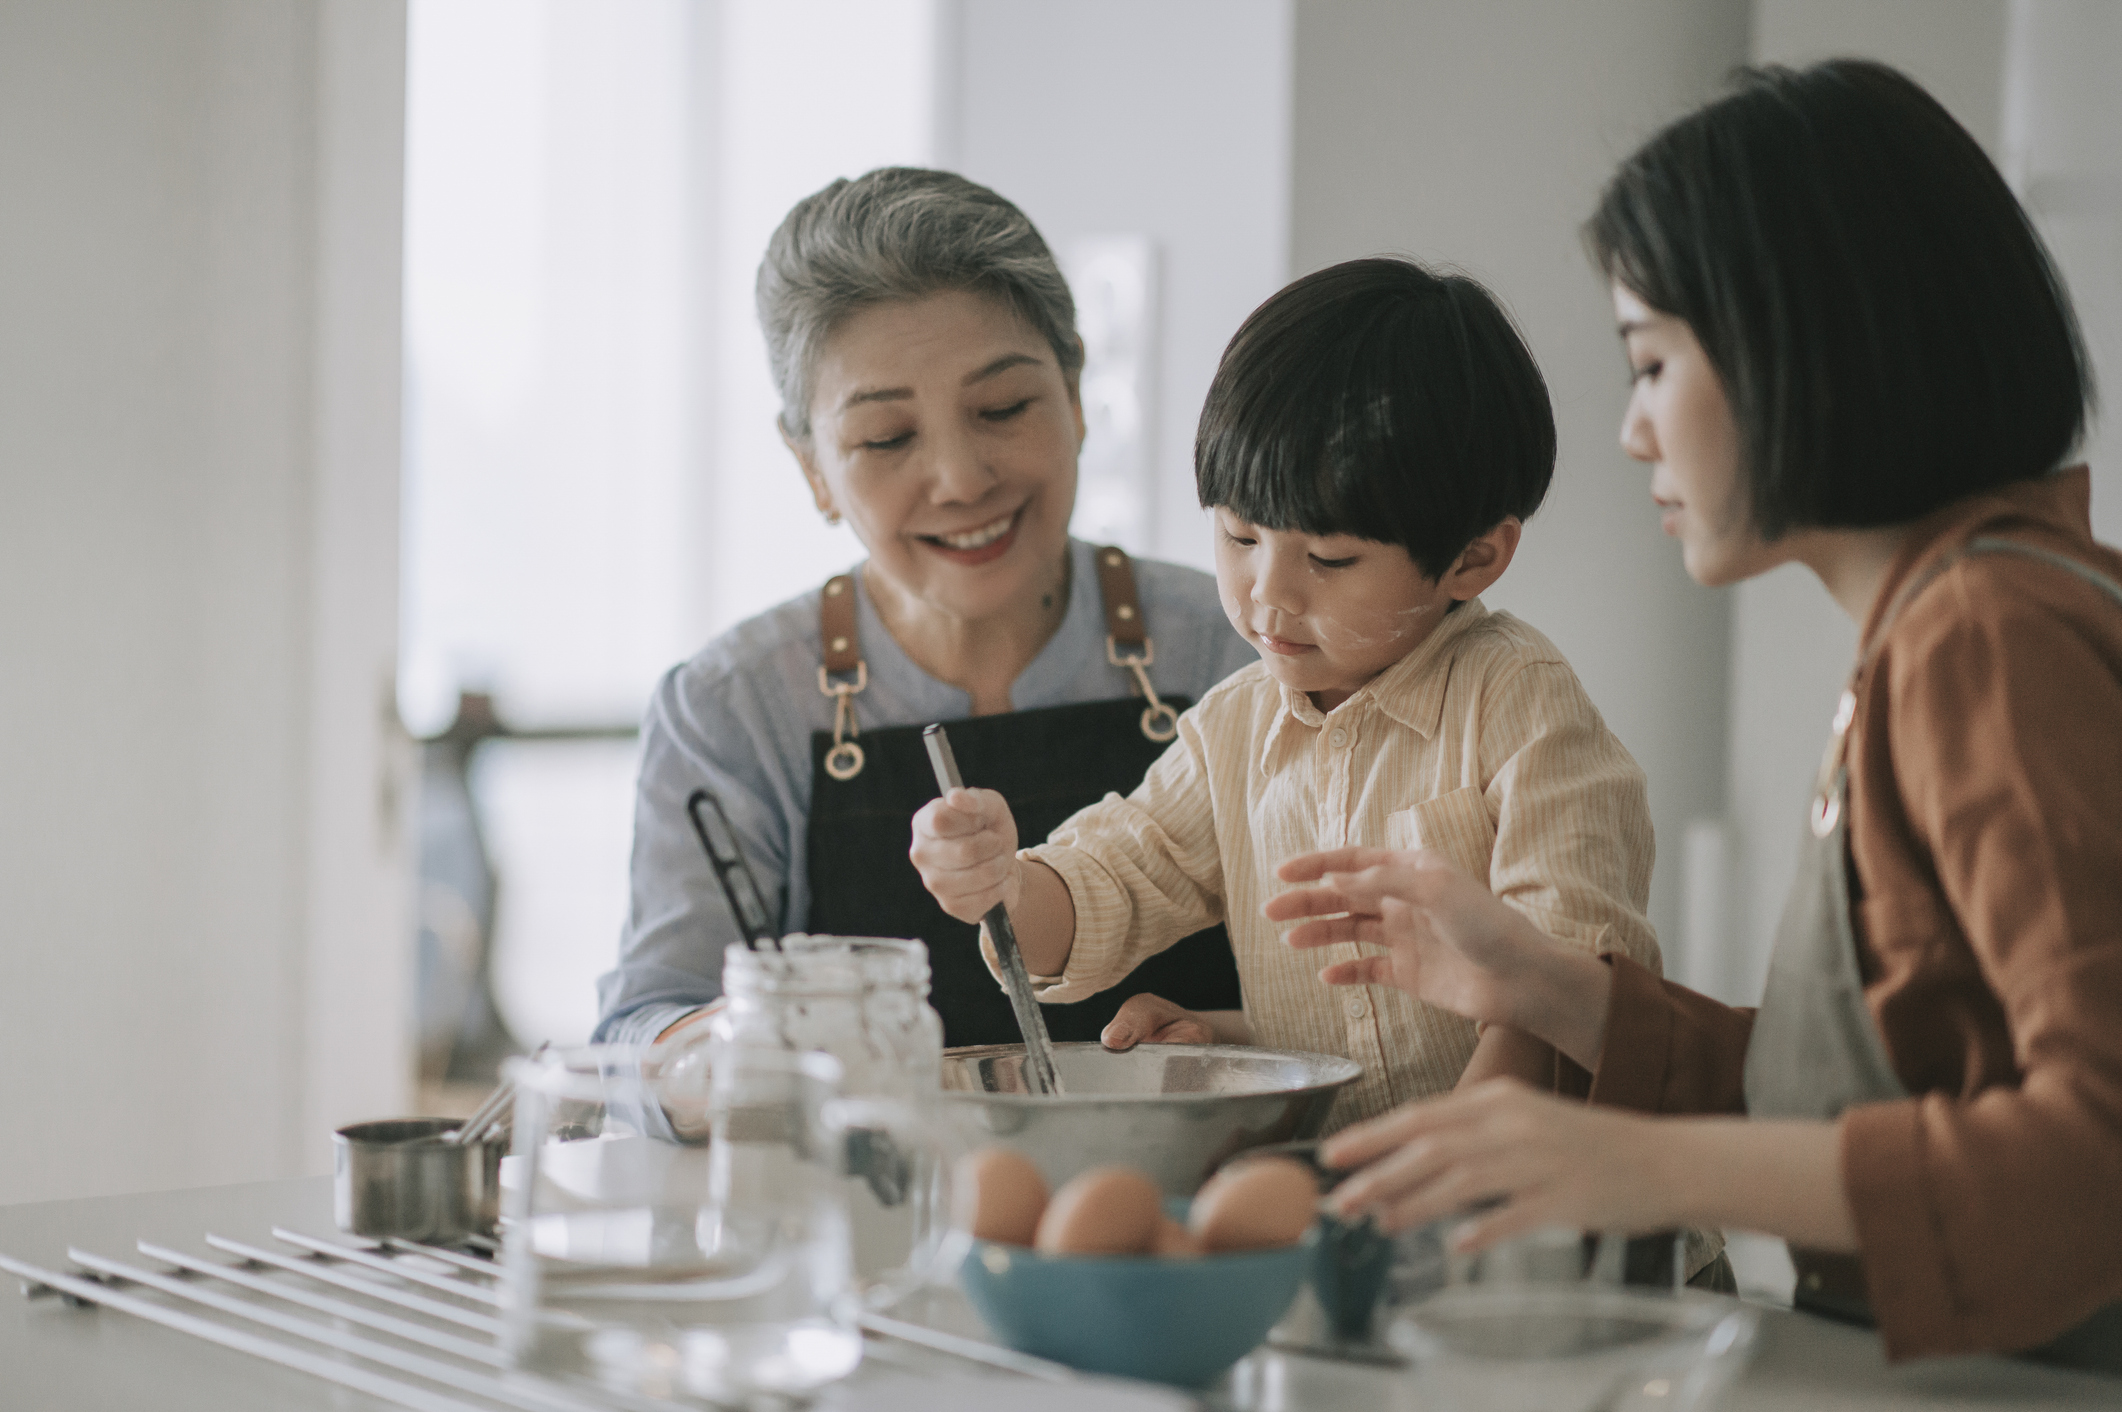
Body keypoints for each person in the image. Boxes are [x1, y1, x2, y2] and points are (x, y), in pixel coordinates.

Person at [1269, 60, 2122, 1369]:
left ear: (1811, 348)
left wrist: (1646, 1166)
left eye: (1652, 361)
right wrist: (1552, 990)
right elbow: (1875, 1090)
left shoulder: (1983, 638)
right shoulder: (1946, 623)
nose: (1630, 432)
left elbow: (2093, 1148)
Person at [911, 256, 1661, 1131]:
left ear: (1474, 558)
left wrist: (1433, 1177)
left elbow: (1563, 989)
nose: (1268, 595)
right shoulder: (1237, 727)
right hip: (1358, 1203)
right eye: (1239, 536)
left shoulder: (1517, 704)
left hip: (1552, 1222)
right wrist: (1003, 881)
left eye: (1331, 560)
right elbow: (1115, 878)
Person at [593, 167, 1256, 1052]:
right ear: (813, 469)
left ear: (1076, 397)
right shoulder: (731, 708)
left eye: (1003, 407)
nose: (960, 478)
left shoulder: (1239, 646)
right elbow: (641, 1034)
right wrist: (751, 1040)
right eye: (887, 438)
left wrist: (1237, 1040)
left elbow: (1363, 1004)